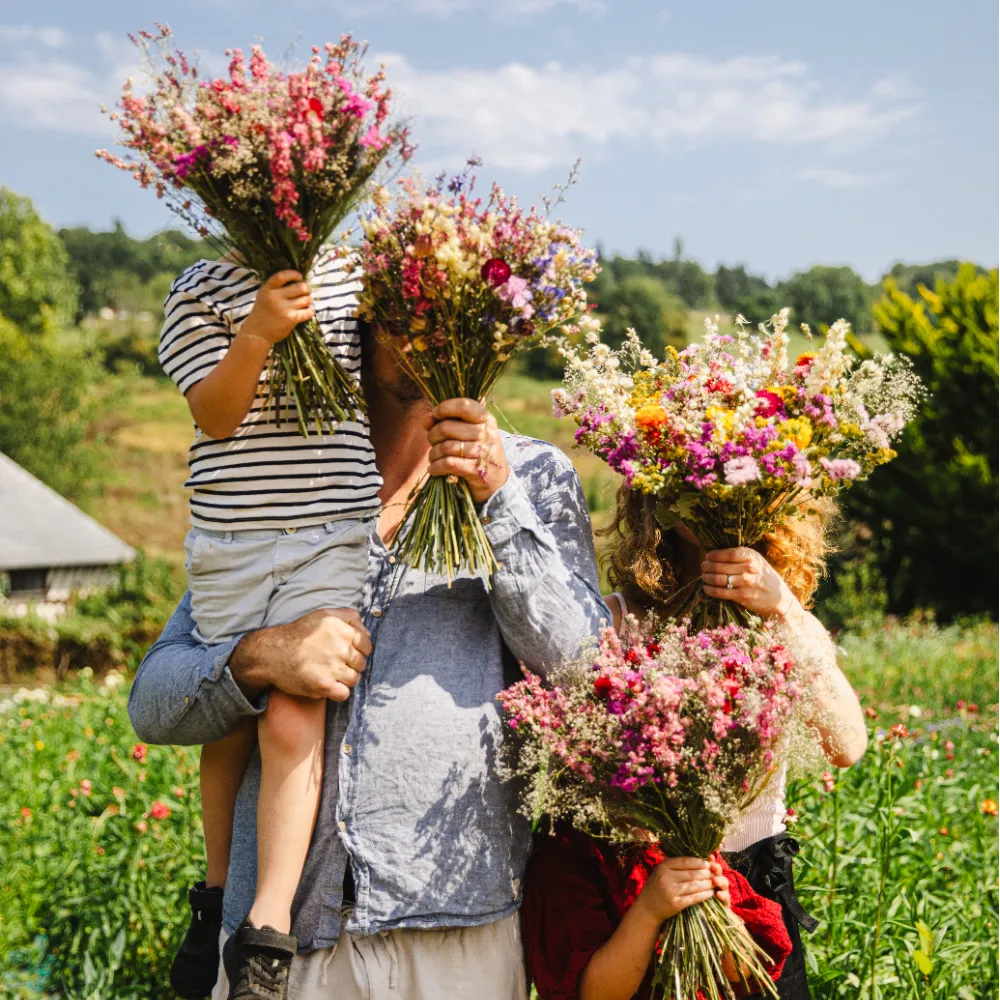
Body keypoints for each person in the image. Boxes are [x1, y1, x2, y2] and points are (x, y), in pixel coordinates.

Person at [128, 319, 610, 999]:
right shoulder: (283, 477)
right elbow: (154, 701)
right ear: (360, 318)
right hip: (281, 950)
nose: (429, 333)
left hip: (458, 930)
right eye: (407, 310)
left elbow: (582, 669)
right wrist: (261, 657)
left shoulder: (532, 476)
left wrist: (497, 500)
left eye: (451, 310)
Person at [159, 252, 381, 999]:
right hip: (232, 545)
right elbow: (214, 414)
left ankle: (266, 931)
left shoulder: (358, 275)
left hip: (330, 541)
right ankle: (216, 894)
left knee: (295, 714)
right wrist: (254, 331)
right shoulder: (199, 289)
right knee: (227, 719)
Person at [602, 487, 869, 999]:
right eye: (693, 472)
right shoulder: (617, 621)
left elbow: (847, 745)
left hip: (759, 889)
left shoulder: (784, 620)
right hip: (652, 894)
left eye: (733, 470)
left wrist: (784, 609)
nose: (715, 486)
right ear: (655, 491)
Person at [522, 826, 792, 1000]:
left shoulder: (686, 841)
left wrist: (724, 917)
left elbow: (741, 973)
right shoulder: (568, 859)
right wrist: (649, 913)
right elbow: (594, 994)